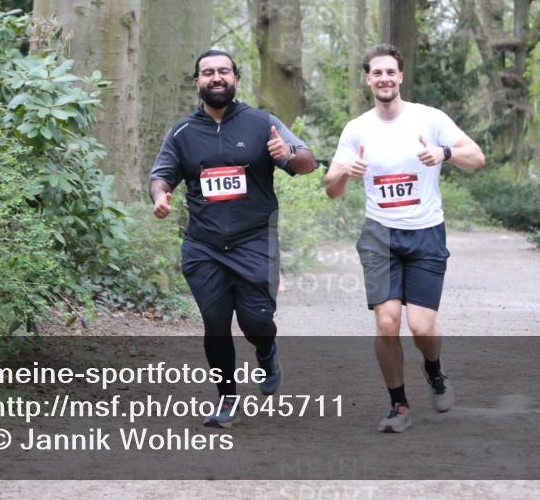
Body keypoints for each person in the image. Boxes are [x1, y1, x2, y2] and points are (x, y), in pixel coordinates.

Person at [150, 49, 317, 428]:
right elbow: (161, 175)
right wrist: (160, 196)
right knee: (215, 321)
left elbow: (307, 162)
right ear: (198, 82)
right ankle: (227, 399)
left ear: (236, 79)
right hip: (204, 245)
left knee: (257, 320)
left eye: (223, 71)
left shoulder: (262, 123)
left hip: (255, 239)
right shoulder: (182, 132)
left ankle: (266, 349)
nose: (216, 77)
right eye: (208, 72)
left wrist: (287, 152)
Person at [324, 43, 485, 433]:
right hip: (379, 236)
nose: (383, 79)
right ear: (368, 79)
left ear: (400, 76)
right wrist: (345, 170)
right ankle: (399, 405)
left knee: (422, 327)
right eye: (376, 73)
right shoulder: (357, 128)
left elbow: (476, 157)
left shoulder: (428, 119)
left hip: (426, 232)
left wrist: (444, 153)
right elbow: (331, 188)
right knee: (387, 322)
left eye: (389, 72)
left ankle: (434, 370)